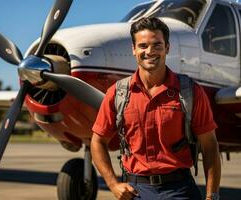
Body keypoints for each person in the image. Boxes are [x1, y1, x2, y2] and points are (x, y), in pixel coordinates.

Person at [91, 17, 221, 200]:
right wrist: (113, 184)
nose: (150, 51)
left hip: (180, 191)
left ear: (167, 48)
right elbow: (97, 142)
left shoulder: (190, 91)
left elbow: (210, 146)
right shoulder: (117, 94)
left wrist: (212, 196)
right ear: (134, 49)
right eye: (143, 46)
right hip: (135, 192)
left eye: (157, 45)